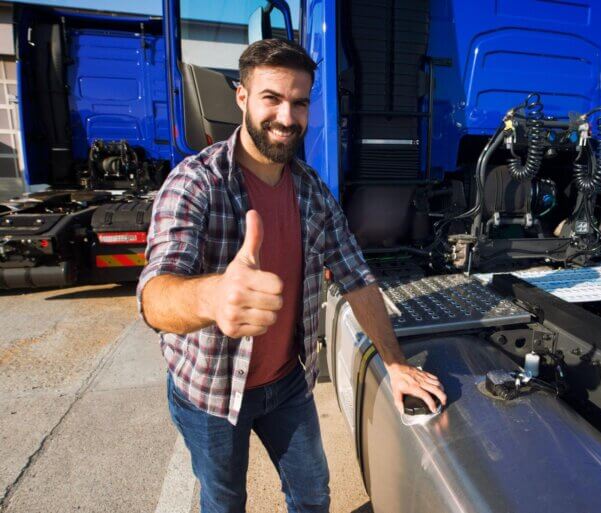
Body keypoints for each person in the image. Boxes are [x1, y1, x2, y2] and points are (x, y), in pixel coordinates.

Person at [137, 38, 446, 513]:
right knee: (224, 502)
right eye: (271, 98)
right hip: (210, 393)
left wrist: (396, 362)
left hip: (286, 384)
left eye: (299, 103)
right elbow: (155, 296)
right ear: (242, 97)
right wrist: (213, 296)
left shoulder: (312, 191)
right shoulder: (195, 183)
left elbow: (356, 277)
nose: (287, 117)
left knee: (312, 495)